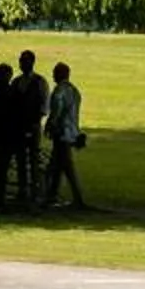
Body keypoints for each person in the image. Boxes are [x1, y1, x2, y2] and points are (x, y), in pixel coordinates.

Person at [0, 51, 44, 211]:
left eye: (25, 61)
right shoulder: (16, 82)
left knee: (33, 159)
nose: (22, 64)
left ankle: (34, 192)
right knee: (21, 159)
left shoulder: (39, 81)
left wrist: (35, 123)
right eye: (21, 61)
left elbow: (43, 105)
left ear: (32, 62)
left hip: (32, 125)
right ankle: (23, 190)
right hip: (17, 127)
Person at [41, 60, 88, 212]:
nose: (52, 75)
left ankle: (70, 197)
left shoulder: (59, 91)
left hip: (61, 133)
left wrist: (50, 125)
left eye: (55, 72)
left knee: (63, 166)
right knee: (59, 165)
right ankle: (51, 194)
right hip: (71, 132)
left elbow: (56, 112)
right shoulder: (74, 91)